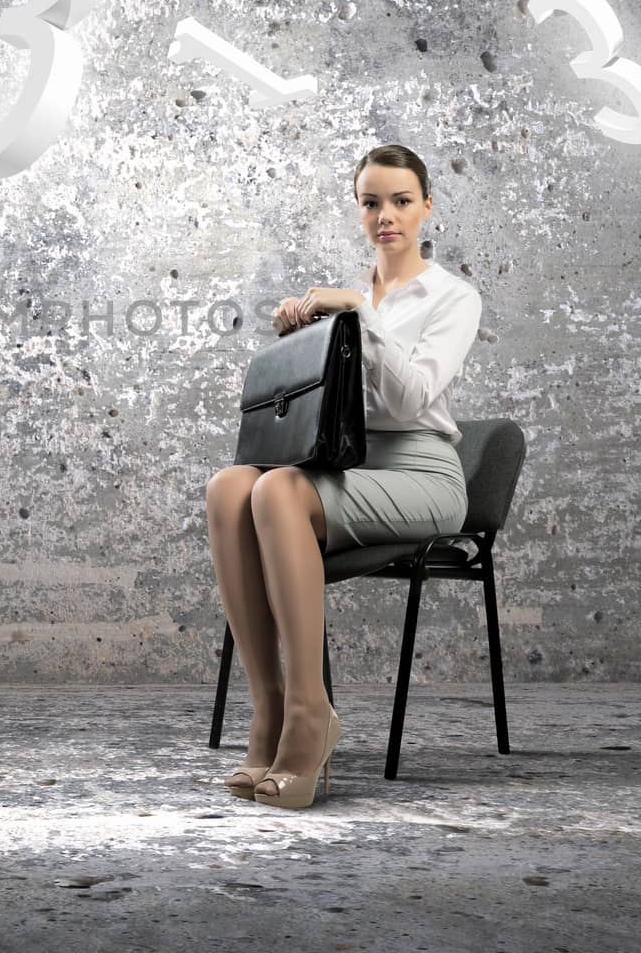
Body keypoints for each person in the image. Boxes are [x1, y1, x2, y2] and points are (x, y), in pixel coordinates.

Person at [205, 143, 483, 809]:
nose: (385, 216)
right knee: (229, 486)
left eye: (400, 201)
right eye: (370, 202)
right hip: (351, 467)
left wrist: (359, 316)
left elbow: (413, 401)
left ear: (426, 207)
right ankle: (268, 709)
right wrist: (300, 336)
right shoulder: (349, 298)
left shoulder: (452, 297)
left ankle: (309, 714)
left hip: (424, 474)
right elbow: (334, 410)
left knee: (276, 488)